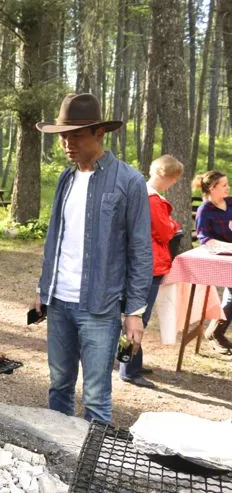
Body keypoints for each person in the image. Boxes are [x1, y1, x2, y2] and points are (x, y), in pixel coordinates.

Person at [34, 93, 152, 423]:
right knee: (59, 385)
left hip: (99, 306)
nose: (67, 143)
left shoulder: (129, 181)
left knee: (97, 396)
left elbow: (140, 250)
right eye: (63, 136)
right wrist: (43, 289)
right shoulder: (66, 179)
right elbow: (55, 238)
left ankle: (91, 469)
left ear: (99, 133)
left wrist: (135, 311)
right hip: (59, 303)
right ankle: (59, 455)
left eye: (76, 135)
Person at [120, 155, 184, 388]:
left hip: (142, 261)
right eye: (173, 180)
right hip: (149, 264)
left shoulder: (142, 192)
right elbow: (166, 231)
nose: (173, 184)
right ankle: (129, 368)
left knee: (135, 317)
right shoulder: (154, 200)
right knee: (137, 318)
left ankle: (132, 360)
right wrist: (174, 225)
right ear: (168, 176)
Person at [193, 170, 232, 354]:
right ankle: (216, 332)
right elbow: (205, 239)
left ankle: (216, 331)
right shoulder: (204, 211)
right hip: (220, 261)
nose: (228, 187)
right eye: (224, 185)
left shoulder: (231, 202)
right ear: (212, 188)